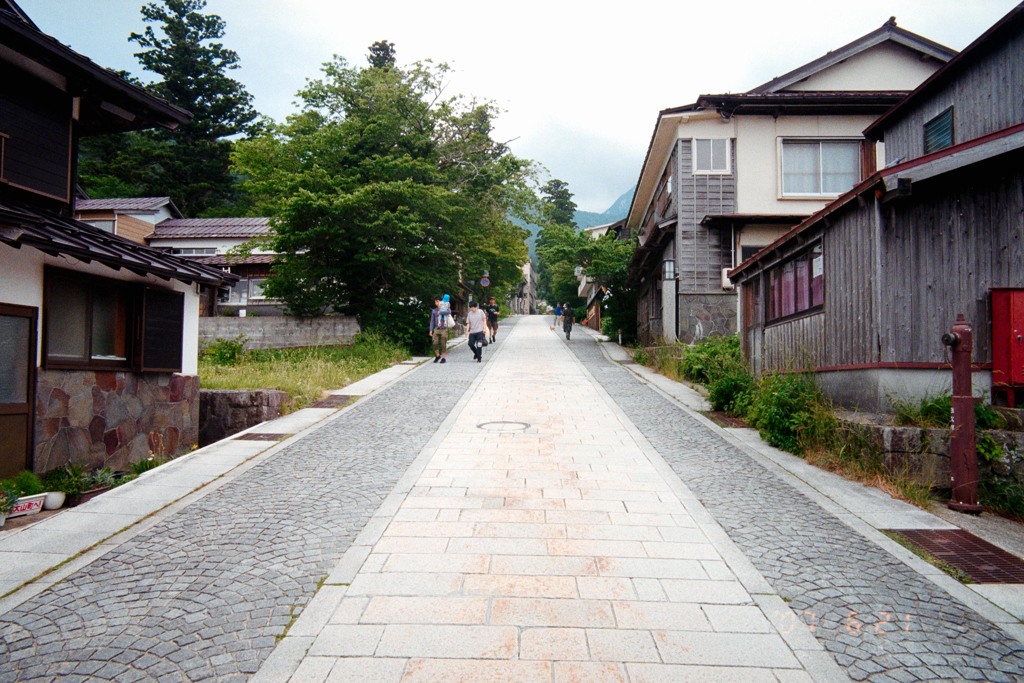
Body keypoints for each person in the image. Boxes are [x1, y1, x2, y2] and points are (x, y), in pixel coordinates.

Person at [429, 297, 449, 364]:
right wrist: (431, 330)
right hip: (436, 329)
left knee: (443, 343)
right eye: (435, 302)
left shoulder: (446, 308)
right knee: (434, 343)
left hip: (444, 329)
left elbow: (449, 311)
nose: (436, 303)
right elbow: (432, 321)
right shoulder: (434, 310)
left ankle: (443, 358)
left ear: (441, 302)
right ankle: (437, 356)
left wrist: (441, 312)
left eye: (437, 301)